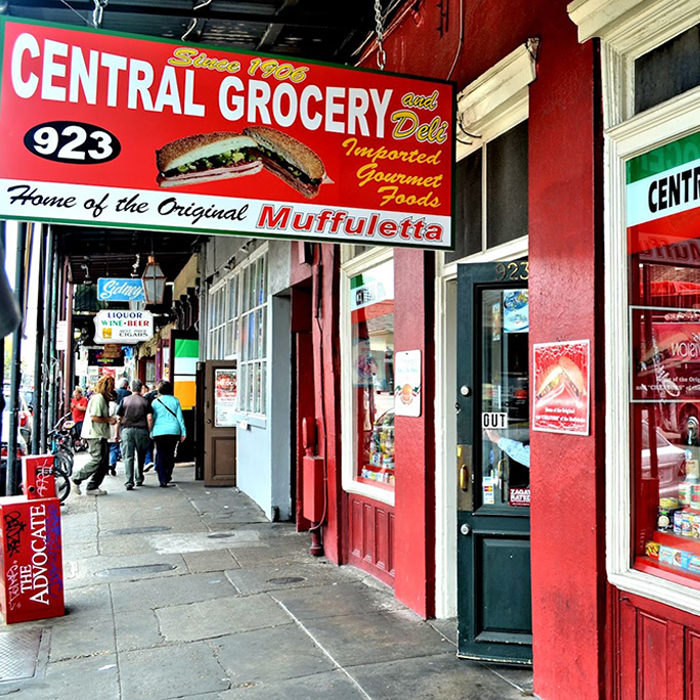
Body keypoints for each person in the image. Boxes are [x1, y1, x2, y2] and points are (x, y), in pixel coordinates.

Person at [72, 375, 117, 496]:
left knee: (103, 461)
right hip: (95, 434)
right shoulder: (99, 399)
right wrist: (109, 420)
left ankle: (93, 486)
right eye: (112, 386)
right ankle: (76, 478)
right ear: (106, 387)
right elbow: (94, 417)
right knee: (98, 459)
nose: (113, 389)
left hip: (100, 434)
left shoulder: (101, 398)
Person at [148, 380, 186, 487]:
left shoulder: (155, 402)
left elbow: (153, 418)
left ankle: (162, 479)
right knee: (170, 454)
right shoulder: (175, 401)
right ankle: (168, 475)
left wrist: (151, 431)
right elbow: (180, 418)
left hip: (159, 431)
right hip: (173, 431)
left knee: (160, 454)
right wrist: (183, 432)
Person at [117, 379, 152, 491]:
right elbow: (150, 418)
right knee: (140, 455)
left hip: (127, 430)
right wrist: (150, 431)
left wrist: (117, 432)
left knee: (128, 456)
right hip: (142, 430)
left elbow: (119, 418)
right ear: (141, 388)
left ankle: (129, 481)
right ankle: (139, 478)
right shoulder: (145, 401)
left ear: (130, 388)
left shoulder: (125, 400)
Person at [108, 378, 131, 475]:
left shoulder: (108, 403)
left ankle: (106, 466)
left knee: (107, 448)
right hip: (122, 422)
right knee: (115, 446)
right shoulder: (128, 394)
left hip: (107, 428)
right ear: (126, 385)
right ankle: (112, 462)